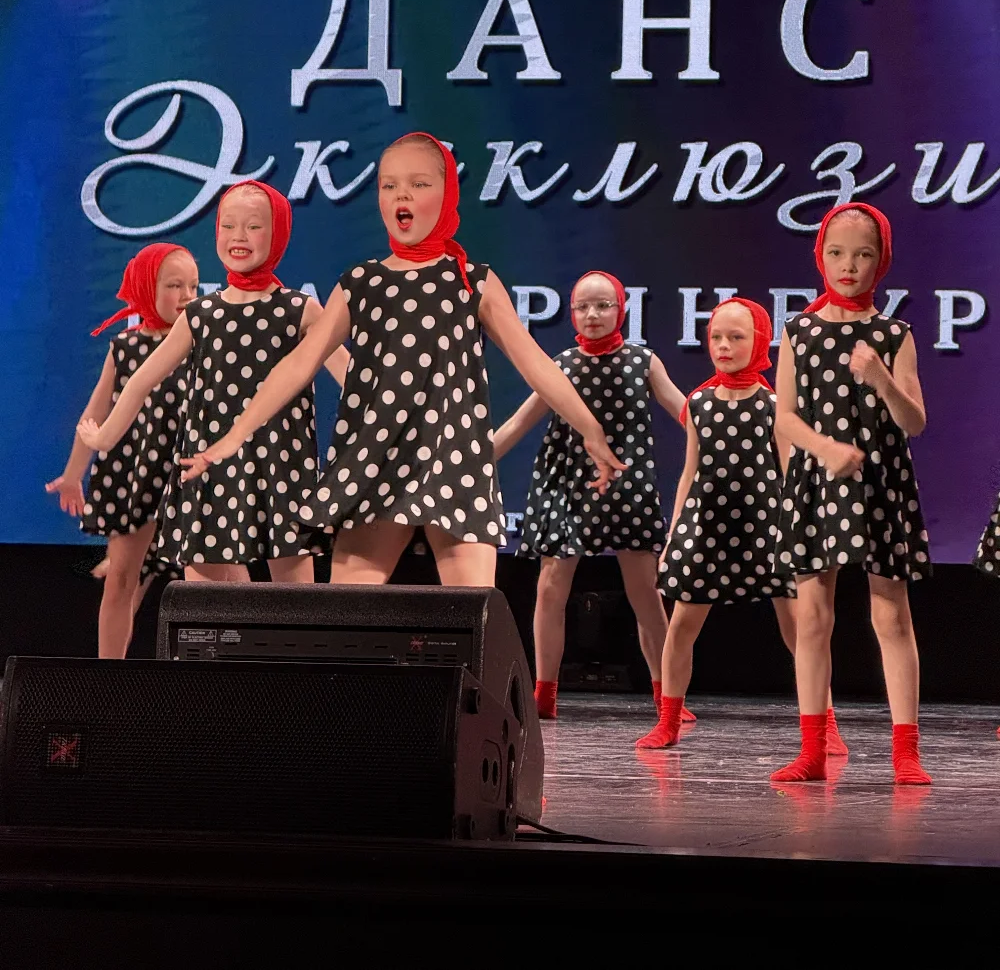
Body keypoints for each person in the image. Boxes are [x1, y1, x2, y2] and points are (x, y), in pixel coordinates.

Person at [179, 132, 625, 588]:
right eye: (389, 185)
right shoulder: (360, 283)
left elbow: (535, 364)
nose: (402, 195)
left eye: (419, 183)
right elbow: (299, 365)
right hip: (373, 462)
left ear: (447, 193)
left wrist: (590, 428)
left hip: (454, 462)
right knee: (344, 620)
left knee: (472, 616)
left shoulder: (472, 282)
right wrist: (235, 435)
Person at [78, 181, 347, 582]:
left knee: (294, 601)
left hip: (281, 467)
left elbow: (354, 380)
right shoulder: (201, 314)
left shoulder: (299, 309)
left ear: (278, 234)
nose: (239, 236)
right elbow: (141, 380)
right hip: (207, 469)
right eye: (228, 225)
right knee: (205, 604)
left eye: (254, 226)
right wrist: (104, 437)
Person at [637, 298, 852, 752]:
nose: (724, 346)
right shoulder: (699, 403)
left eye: (736, 337)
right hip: (707, 527)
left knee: (800, 629)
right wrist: (675, 533)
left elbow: (790, 469)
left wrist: (801, 528)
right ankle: (668, 720)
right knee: (681, 626)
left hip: (766, 528)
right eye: (716, 337)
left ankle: (825, 724)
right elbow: (690, 471)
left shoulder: (773, 405)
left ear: (758, 342)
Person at [769, 203, 931, 785]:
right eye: (837, 253)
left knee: (891, 614)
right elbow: (785, 417)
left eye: (863, 255)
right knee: (812, 617)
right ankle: (813, 749)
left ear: (880, 261)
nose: (849, 265)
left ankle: (906, 753)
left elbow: (914, 421)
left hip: (882, 483)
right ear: (820, 256)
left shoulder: (894, 335)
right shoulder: (799, 332)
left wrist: (881, 378)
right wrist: (825, 449)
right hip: (818, 482)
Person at [495, 269, 689, 721]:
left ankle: (667, 696)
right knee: (550, 587)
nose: (593, 315)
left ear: (622, 308)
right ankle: (544, 693)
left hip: (627, 484)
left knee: (646, 592)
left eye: (603, 305)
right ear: (571, 312)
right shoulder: (560, 366)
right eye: (583, 307)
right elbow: (518, 423)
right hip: (566, 483)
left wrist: (730, 434)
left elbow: (685, 411)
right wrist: (471, 461)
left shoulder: (643, 361)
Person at [47, 243, 198, 655]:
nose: (187, 296)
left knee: (206, 578)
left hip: (190, 477)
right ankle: (108, 676)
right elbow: (93, 415)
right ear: (147, 288)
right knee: (121, 580)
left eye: (193, 286)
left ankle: (220, 676)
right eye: (174, 286)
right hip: (136, 478)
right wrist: (72, 476)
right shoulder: (126, 348)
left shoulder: (203, 342)